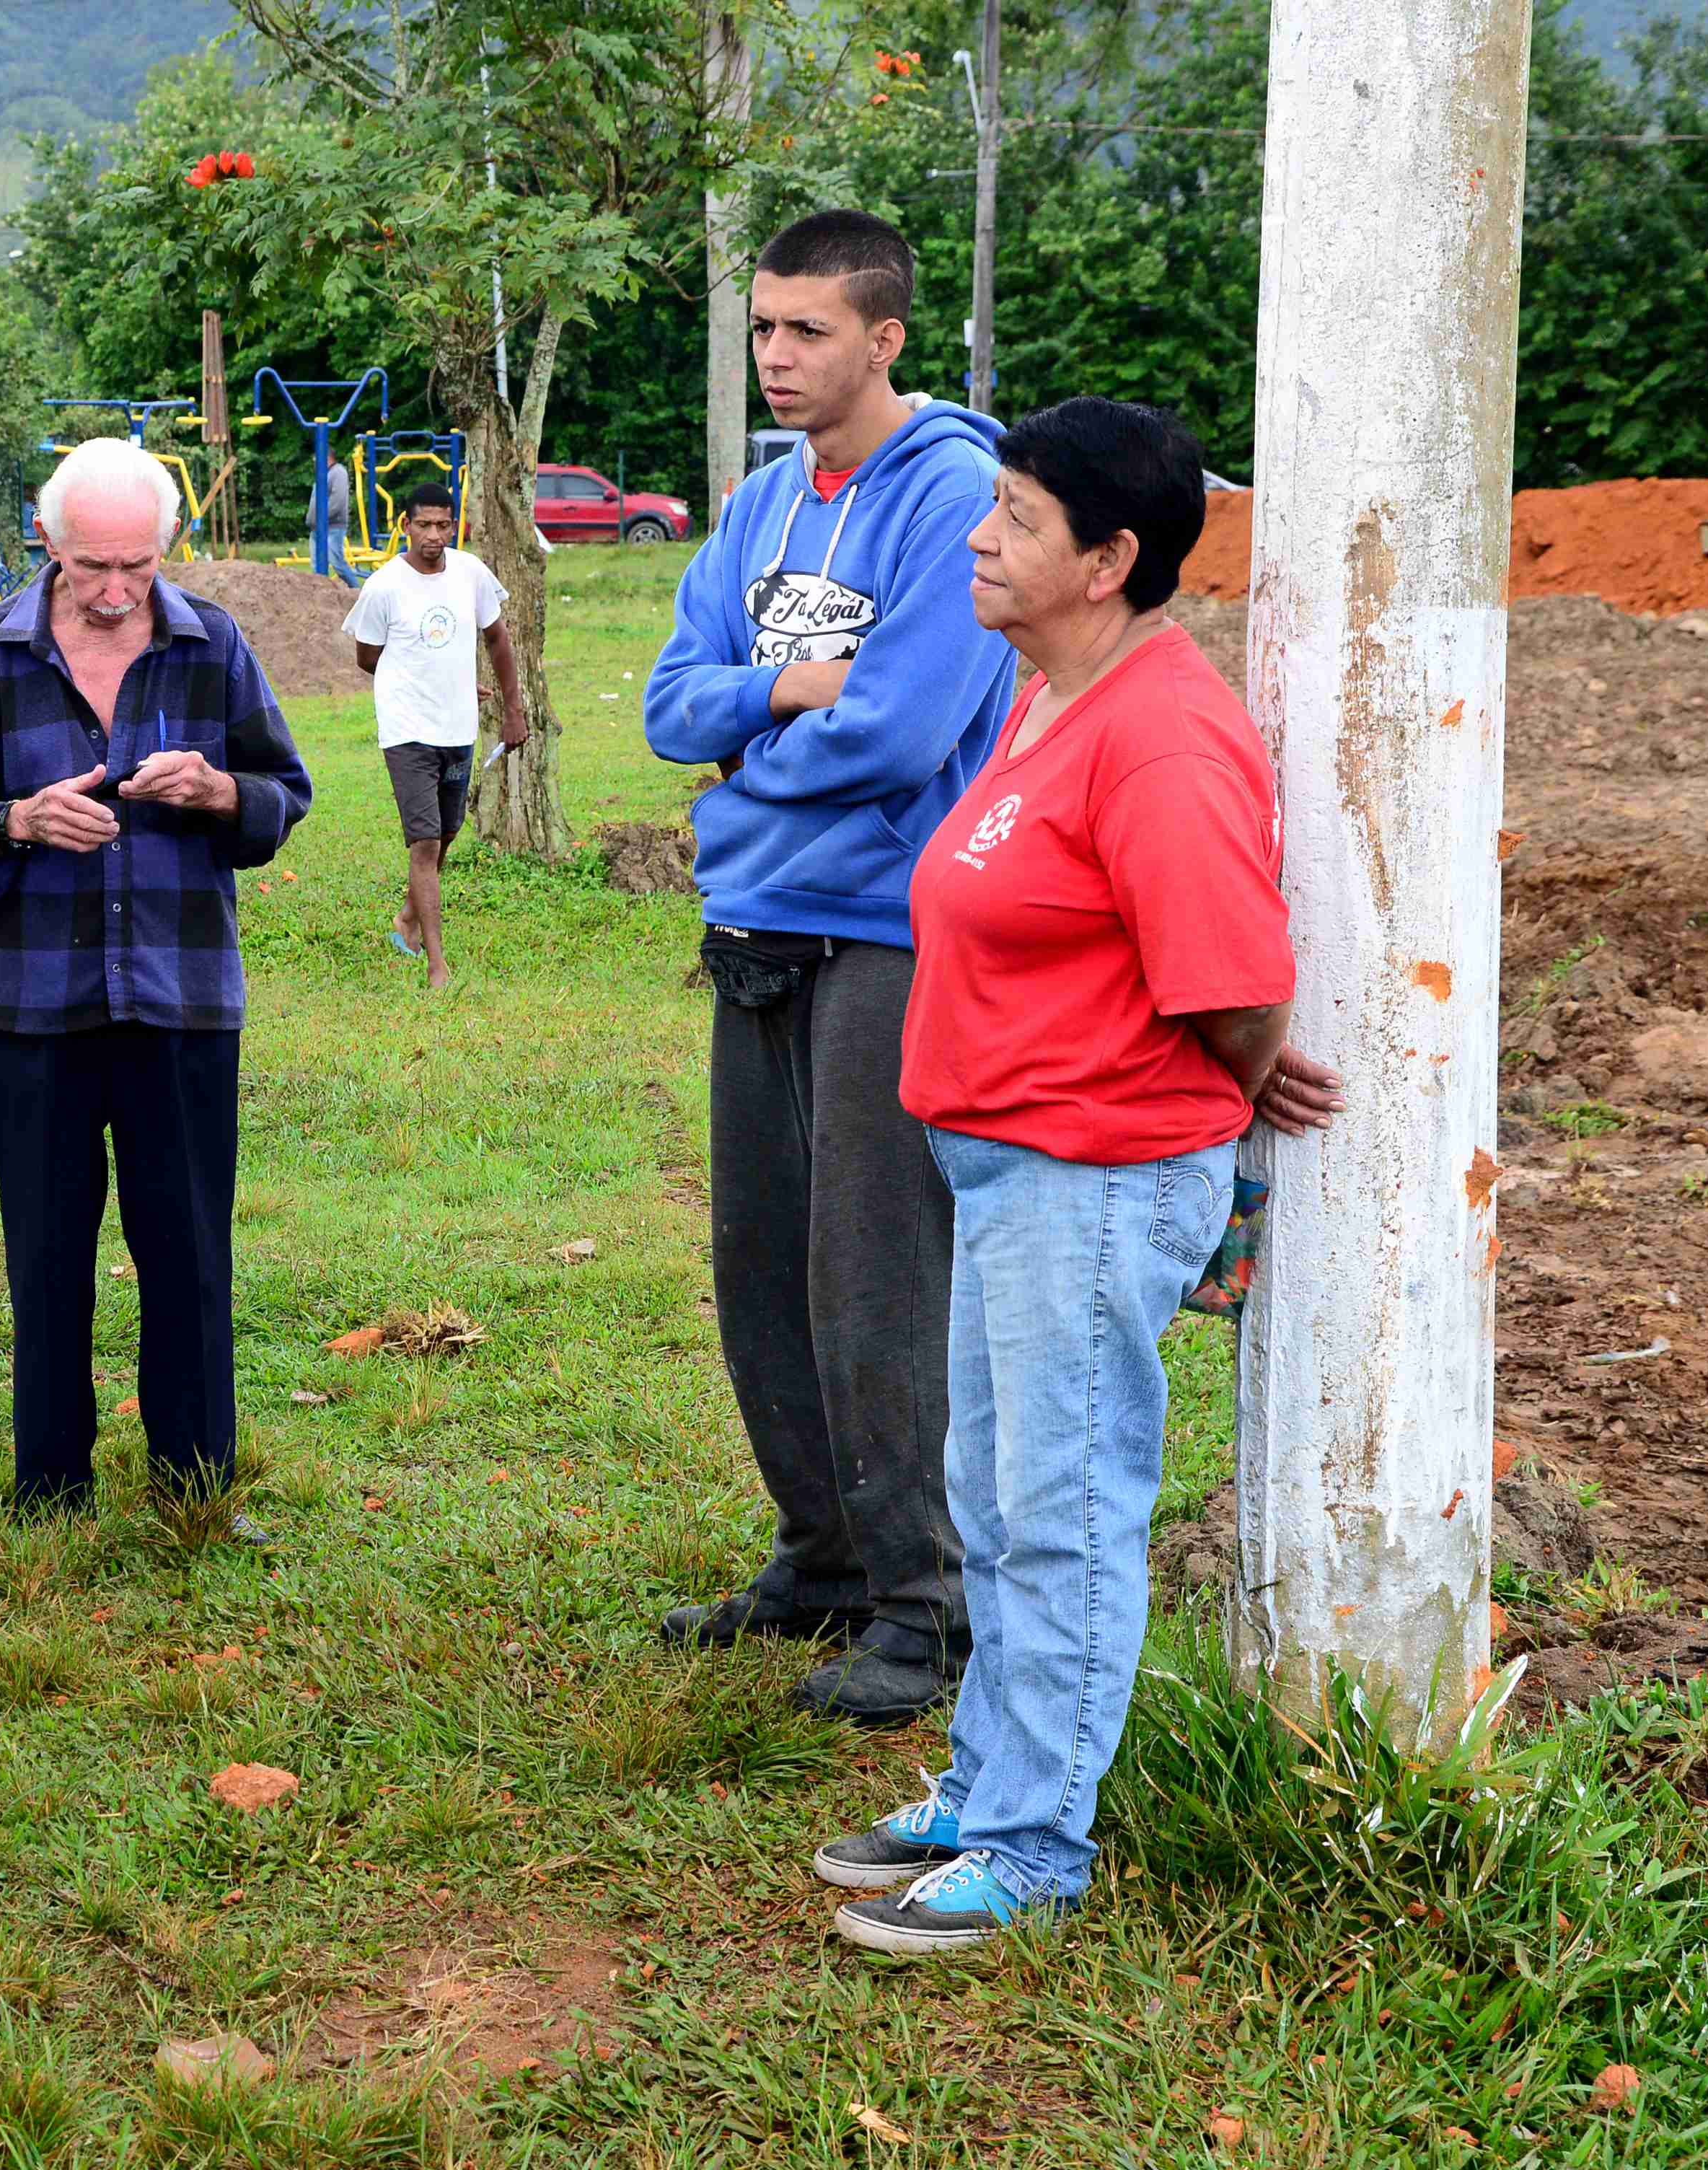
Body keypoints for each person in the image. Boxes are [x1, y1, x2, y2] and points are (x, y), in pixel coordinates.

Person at [820, 397, 1343, 1954]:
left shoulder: (1163, 733)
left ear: (1110, 559)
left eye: (1020, 520)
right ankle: (992, 1785)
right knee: (998, 1496)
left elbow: (1235, 980)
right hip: (1009, 1166)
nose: (982, 538)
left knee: (1062, 1510)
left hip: (1090, 1172)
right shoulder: (1056, 694)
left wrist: (1232, 1096)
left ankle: (1038, 1844)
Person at [641, 210, 1016, 1725]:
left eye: (808, 329)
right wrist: (785, 687)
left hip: (891, 930)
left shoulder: (957, 498)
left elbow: (909, 728)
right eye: (764, 327)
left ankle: (927, 1606)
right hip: (755, 920)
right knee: (764, 1265)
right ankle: (822, 1554)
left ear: (887, 339)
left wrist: (744, 774)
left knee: (877, 1274)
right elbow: (673, 703)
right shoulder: (761, 505)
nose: (778, 356)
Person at [0, 437, 313, 1524]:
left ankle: (194, 1482)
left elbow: (287, 792)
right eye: (94, 569)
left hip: (182, 998)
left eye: (138, 567)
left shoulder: (210, 643)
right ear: (48, 543)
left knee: (187, 1243)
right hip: (38, 1006)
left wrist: (223, 791)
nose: (118, 592)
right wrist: (17, 821)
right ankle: (50, 1484)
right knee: (45, 1249)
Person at [344, 480, 525, 989]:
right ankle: (437, 966)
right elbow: (368, 658)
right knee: (425, 844)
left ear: (454, 525)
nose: (434, 535)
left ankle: (407, 915)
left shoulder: (470, 574)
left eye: (443, 525)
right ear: (405, 526)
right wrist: (415, 681)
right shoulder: (383, 586)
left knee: (450, 830)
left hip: (458, 725)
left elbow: (497, 639)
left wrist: (513, 710)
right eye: (423, 525)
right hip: (406, 730)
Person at [324, 451, 353, 568]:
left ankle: (354, 587)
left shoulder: (338, 472)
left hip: (334, 523)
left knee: (337, 562)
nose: (314, 461)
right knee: (319, 562)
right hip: (325, 524)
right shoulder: (328, 473)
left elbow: (338, 500)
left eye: (316, 458)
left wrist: (323, 516)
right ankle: (318, 585)